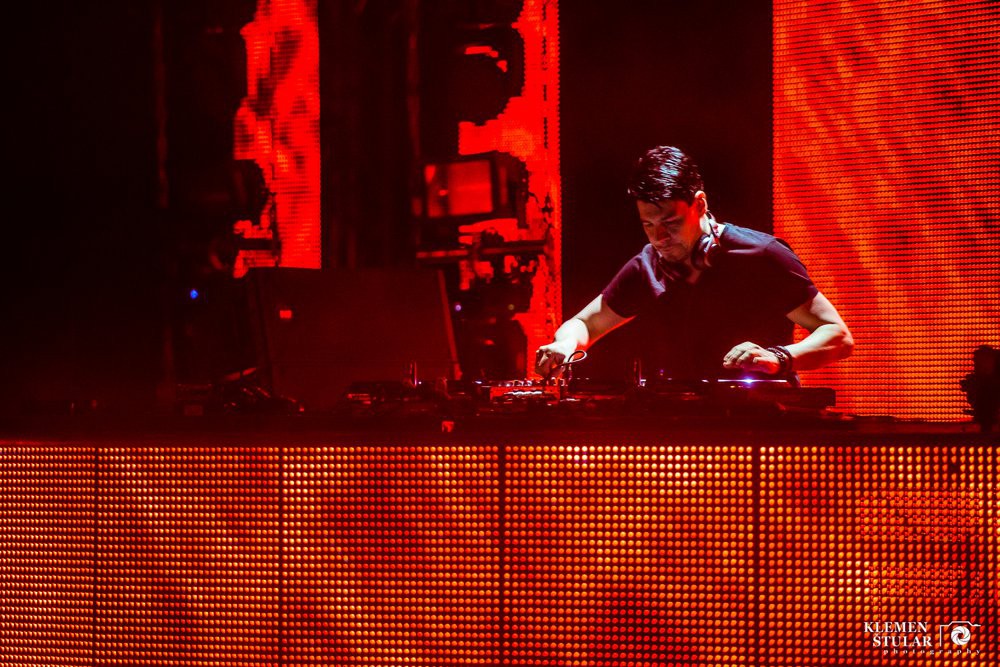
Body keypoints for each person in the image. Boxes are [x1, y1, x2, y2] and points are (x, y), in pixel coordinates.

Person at [535, 145, 853, 382]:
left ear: (700, 204)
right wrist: (565, 344)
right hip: (683, 435)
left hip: (763, 429)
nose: (659, 238)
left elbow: (837, 335)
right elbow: (586, 324)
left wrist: (778, 358)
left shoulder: (762, 255)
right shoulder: (647, 266)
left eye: (671, 223)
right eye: (648, 225)